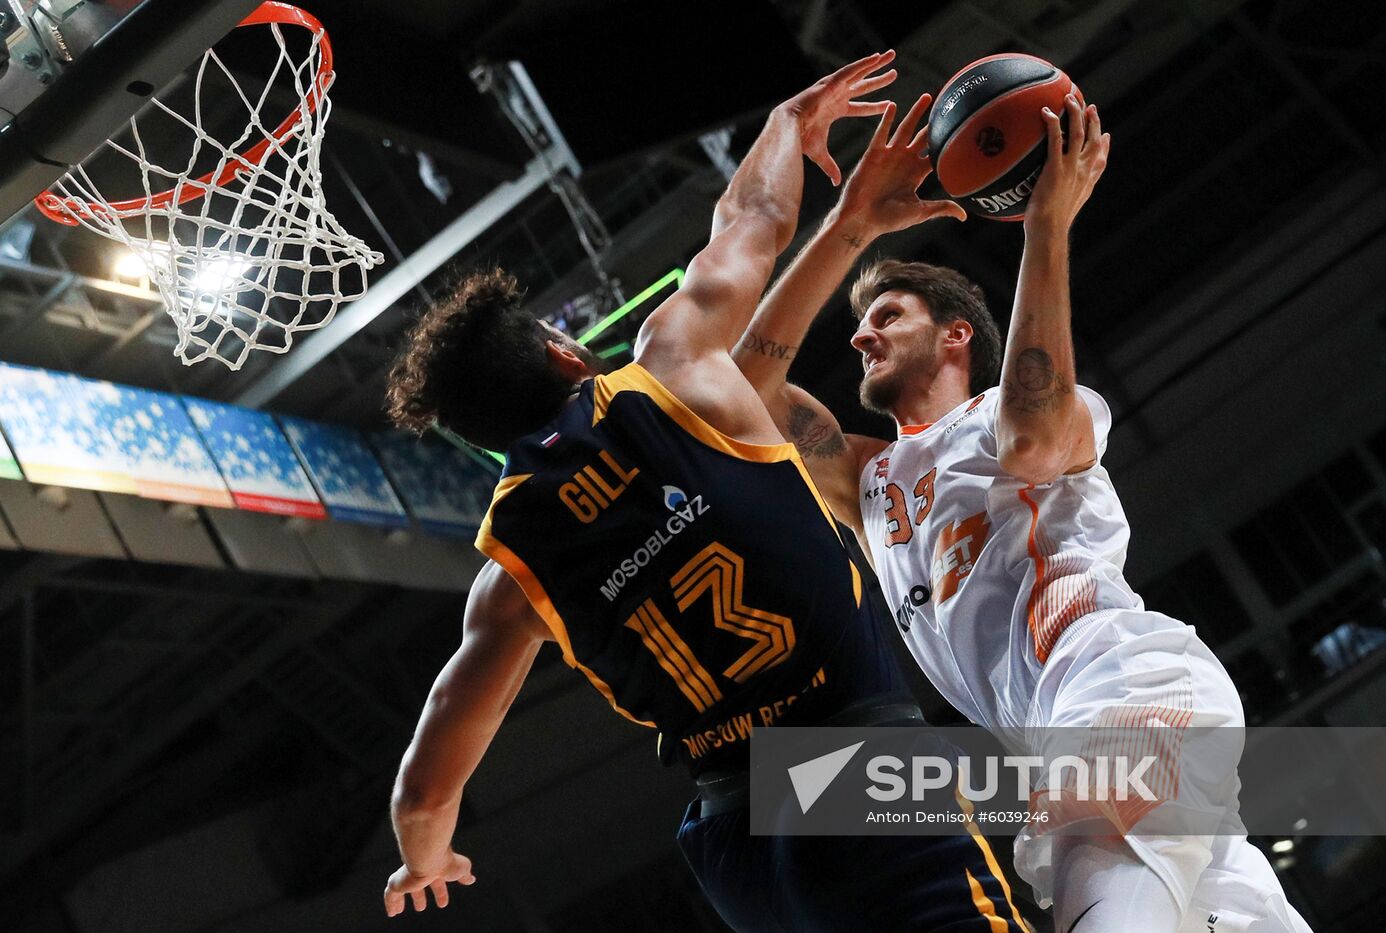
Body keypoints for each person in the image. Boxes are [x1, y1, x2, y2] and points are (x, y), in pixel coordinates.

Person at [378, 52, 1033, 932]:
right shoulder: (672, 367)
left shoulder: (509, 574)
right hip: (852, 767)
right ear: (565, 355)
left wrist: (425, 860)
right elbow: (753, 217)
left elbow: (424, 794)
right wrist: (788, 125)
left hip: (736, 843)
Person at [732, 91, 1312, 933]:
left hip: (1121, 686)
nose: (860, 337)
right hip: (1064, 734)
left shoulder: (1021, 414)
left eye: (887, 316)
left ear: (957, 335)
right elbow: (737, 382)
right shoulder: (866, 480)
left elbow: (1033, 445)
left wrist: (1047, 222)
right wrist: (851, 223)